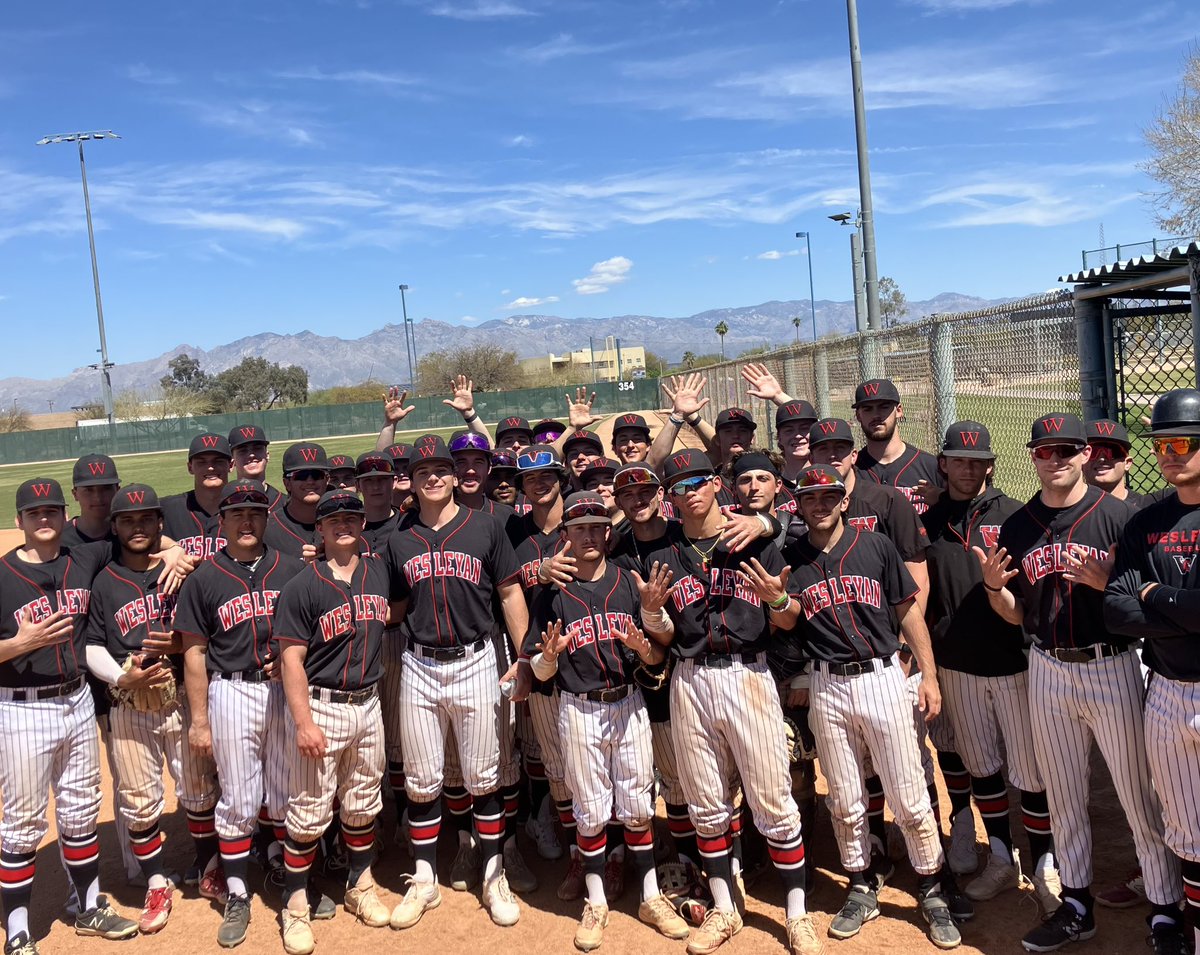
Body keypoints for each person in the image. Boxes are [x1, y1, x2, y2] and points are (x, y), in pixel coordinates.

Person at [978, 412, 1181, 952]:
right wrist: (996, 590)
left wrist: (1108, 583)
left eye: (1067, 449)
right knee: (1064, 795)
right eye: (1045, 450)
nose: (1056, 459)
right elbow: (1018, 615)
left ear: (1086, 455)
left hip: (1110, 664)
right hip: (1047, 667)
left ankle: (1164, 911)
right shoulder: (1018, 527)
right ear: (1033, 457)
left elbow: (1140, 599)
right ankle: (1075, 904)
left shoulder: (1119, 519)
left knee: (1138, 795)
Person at [638, 450, 819, 955]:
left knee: (773, 802)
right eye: (679, 485)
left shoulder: (754, 539)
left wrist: (779, 601)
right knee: (707, 805)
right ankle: (725, 908)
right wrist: (652, 614)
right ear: (670, 498)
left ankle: (797, 915)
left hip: (748, 676)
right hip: (690, 680)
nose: (690, 490)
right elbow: (667, 636)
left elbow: (789, 620)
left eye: (698, 480)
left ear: (717, 484)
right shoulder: (667, 555)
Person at [784, 464, 960, 950]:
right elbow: (787, 620)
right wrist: (778, 599)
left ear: (844, 501)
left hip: (883, 677)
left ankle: (931, 886)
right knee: (844, 797)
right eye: (810, 498)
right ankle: (861, 882)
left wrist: (928, 673)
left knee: (908, 793)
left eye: (828, 497)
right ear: (799, 504)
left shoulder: (875, 546)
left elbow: (908, 611)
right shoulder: (792, 557)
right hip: (827, 686)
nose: (819, 505)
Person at [526, 491, 689, 951]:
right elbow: (538, 669)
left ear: (607, 532)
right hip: (578, 708)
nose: (591, 535)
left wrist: (644, 649)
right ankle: (596, 901)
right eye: (579, 528)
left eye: (597, 526)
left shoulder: (626, 583)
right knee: (592, 811)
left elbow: (656, 655)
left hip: (629, 701)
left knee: (638, 807)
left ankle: (651, 896)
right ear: (566, 537)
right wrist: (548, 661)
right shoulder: (551, 593)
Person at [384, 435, 530, 930]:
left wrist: (524, 656)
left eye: (442, 468)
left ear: (453, 475)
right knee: (423, 782)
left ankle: (494, 875)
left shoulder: (486, 527)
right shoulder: (399, 538)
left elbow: (510, 593)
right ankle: (424, 879)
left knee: (484, 777)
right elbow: (394, 608)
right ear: (413, 478)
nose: (434, 476)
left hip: (476, 659)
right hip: (419, 664)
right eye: (423, 470)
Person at [176, 480, 327, 948]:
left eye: (255, 513)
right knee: (240, 800)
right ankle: (238, 892)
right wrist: (199, 720)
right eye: (237, 514)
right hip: (231, 693)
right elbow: (194, 653)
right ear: (220, 522)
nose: (247, 521)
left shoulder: (291, 569)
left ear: (266, 518)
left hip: (284, 693)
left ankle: (287, 874)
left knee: (285, 793)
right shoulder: (203, 578)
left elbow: (313, 632)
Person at [920, 424, 1059, 911]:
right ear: (943, 464)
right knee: (982, 769)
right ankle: (1001, 855)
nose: (968, 468)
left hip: (1013, 662)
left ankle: (1045, 864)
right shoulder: (930, 520)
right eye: (959, 459)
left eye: (978, 460)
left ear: (991, 465)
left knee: (1030, 771)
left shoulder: (1016, 517)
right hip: (957, 665)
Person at [0, 478, 139, 954]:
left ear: (65, 516)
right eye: (34, 513)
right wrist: (18, 645)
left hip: (78, 700)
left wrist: (176, 550)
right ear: (18, 521)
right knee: (22, 823)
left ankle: (88, 906)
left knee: (80, 811)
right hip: (22, 710)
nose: (44, 519)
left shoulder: (84, 558)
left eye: (52, 511)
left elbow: (137, 537)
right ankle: (18, 931)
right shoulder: (1, 577)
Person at [84, 484, 223, 936]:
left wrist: (181, 644)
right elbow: (90, 644)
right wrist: (120, 677)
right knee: (140, 802)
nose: (138, 527)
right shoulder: (104, 582)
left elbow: (212, 632)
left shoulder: (184, 574)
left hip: (180, 696)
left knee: (199, 788)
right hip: (128, 705)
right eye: (128, 520)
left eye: (147, 519)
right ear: (116, 526)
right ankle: (157, 882)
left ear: (161, 525)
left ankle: (209, 867)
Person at [274, 490, 394, 955]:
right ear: (319, 530)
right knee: (308, 811)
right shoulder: (303, 585)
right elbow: (291, 659)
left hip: (368, 703)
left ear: (362, 525)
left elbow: (394, 614)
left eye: (350, 518)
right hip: (322, 705)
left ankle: (359, 885)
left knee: (363, 804)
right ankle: (296, 904)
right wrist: (303, 723)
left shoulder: (378, 572)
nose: (343, 525)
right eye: (333, 519)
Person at [1105, 387, 1200, 955]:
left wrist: (1154, 594)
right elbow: (1117, 611)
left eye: (1183, 441)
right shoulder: (1146, 522)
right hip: (1165, 692)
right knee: (1186, 831)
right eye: (1161, 444)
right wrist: (1180, 610)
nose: (1169, 453)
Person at [851, 379, 941, 515]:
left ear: (899, 410)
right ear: (858, 416)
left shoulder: (931, 466)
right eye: (868, 409)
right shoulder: (852, 470)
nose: (876, 415)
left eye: (884, 407)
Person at [162, 433, 233, 561]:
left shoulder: (244, 510)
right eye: (201, 462)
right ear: (190, 467)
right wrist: (171, 546)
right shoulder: (168, 509)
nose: (210, 467)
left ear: (231, 465)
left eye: (218, 461)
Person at [264, 443, 330, 559]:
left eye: (317, 475)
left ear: (327, 480)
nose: (310, 481)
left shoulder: (341, 524)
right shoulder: (268, 530)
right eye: (301, 475)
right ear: (287, 483)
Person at [1083, 419, 1150, 507]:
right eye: (1093, 452)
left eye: (1113, 452)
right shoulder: (1067, 507)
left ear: (1127, 463)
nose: (1102, 459)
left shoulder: (1145, 509)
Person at [63, 454, 121, 547]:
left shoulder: (128, 535)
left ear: (117, 491)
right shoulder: (59, 541)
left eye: (106, 488)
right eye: (89, 490)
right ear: (75, 494)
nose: (98, 497)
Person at [228, 425, 284, 511]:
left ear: (267, 455)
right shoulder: (225, 504)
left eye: (257, 448)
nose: (251, 455)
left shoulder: (286, 505)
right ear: (232, 460)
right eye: (243, 451)